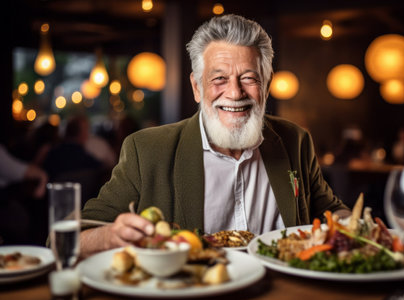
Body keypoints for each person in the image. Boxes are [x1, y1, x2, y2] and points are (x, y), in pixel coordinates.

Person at [80, 14, 350, 258]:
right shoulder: (146, 150)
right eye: (219, 79)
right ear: (197, 87)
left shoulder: (296, 140)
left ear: (266, 86)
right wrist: (111, 236)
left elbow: (330, 211)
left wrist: (359, 226)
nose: (235, 93)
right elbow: (73, 238)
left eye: (249, 78)